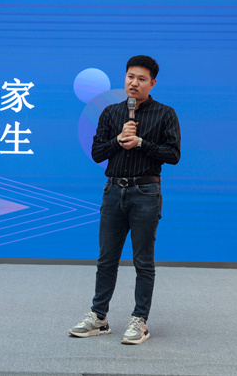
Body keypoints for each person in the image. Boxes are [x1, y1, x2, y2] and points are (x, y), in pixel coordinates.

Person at [69, 55, 181, 345]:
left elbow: (173, 155)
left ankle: (139, 320)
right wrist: (118, 140)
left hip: (146, 192)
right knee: (106, 259)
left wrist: (142, 143)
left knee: (143, 260)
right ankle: (99, 317)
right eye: (130, 76)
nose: (134, 83)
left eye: (141, 79)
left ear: (152, 83)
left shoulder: (166, 113)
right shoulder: (110, 112)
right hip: (113, 192)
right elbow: (97, 153)